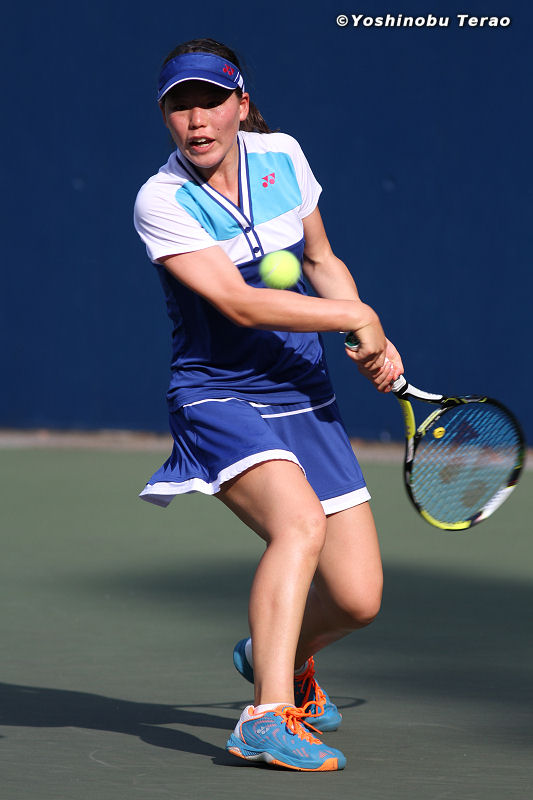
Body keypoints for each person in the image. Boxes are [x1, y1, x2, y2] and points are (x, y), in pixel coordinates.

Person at [134, 38, 403, 772]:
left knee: (357, 598)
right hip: (217, 392)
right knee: (298, 523)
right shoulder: (161, 200)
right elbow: (240, 302)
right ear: (165, 117)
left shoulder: (282, 155)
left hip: (301, 390)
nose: (197, 120)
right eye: (180, 107)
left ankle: (272, 654)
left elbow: (318, 259)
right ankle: (266, 717)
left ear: (241, 105)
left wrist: (371, 339)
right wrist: (356, 316)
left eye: (211, 101)